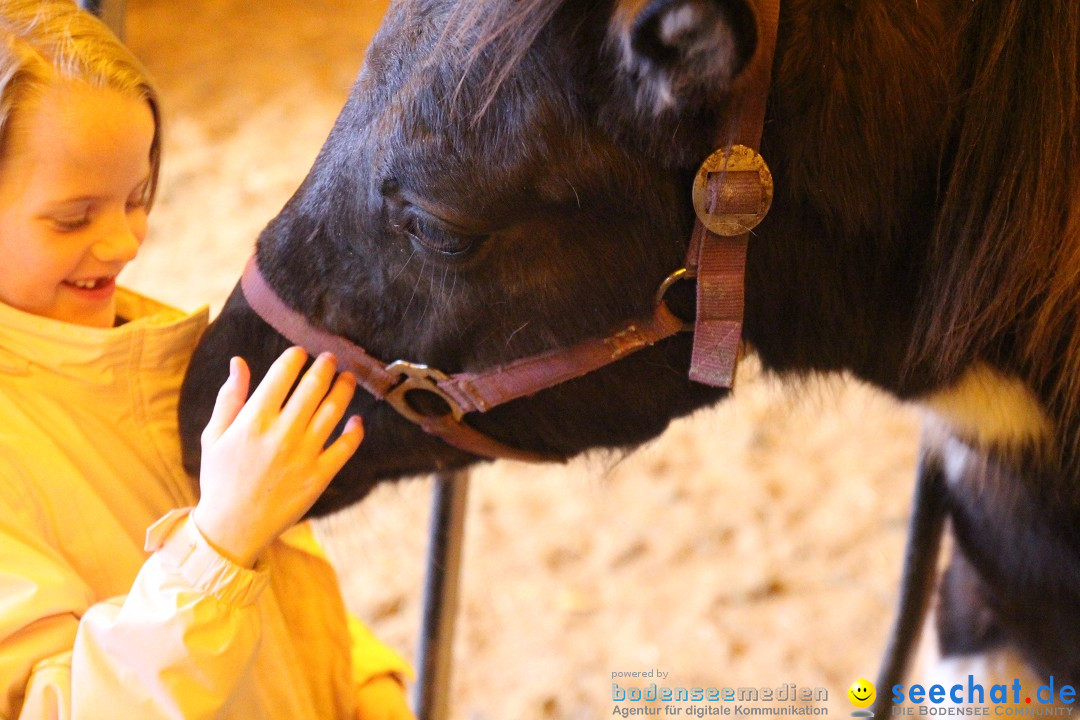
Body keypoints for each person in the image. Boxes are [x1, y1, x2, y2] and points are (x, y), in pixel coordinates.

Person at [0, 1, 415, 717]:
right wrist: (219, 539)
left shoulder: (159, 352)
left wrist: (364, 684)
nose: (127, 242)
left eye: (137, 198)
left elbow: (283, 587)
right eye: (74, 217)